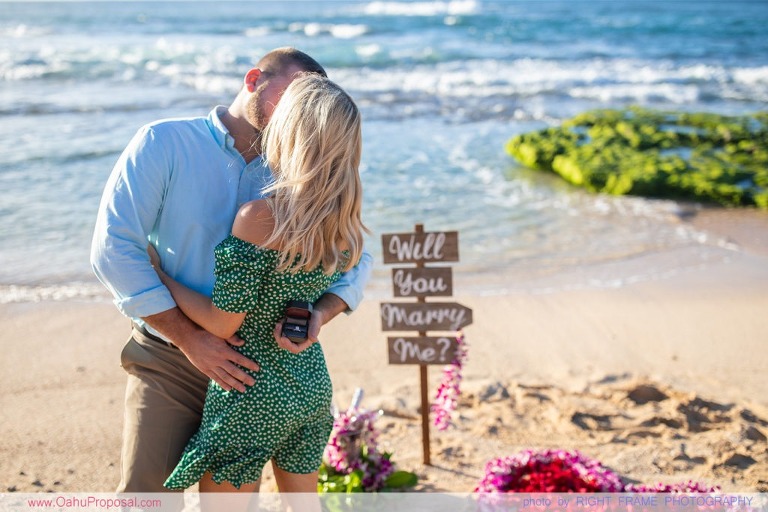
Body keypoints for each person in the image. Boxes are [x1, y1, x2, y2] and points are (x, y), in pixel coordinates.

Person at [90, 47, 372, 494]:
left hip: (266, 370)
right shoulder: (163, 142)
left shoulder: (301, 163)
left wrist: (319, 313)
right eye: (293, 93)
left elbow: (354, 257)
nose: (298, 110)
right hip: (169, 358)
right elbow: (114, 248)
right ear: (253, 79)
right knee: (145, 495)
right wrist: (190, 339)